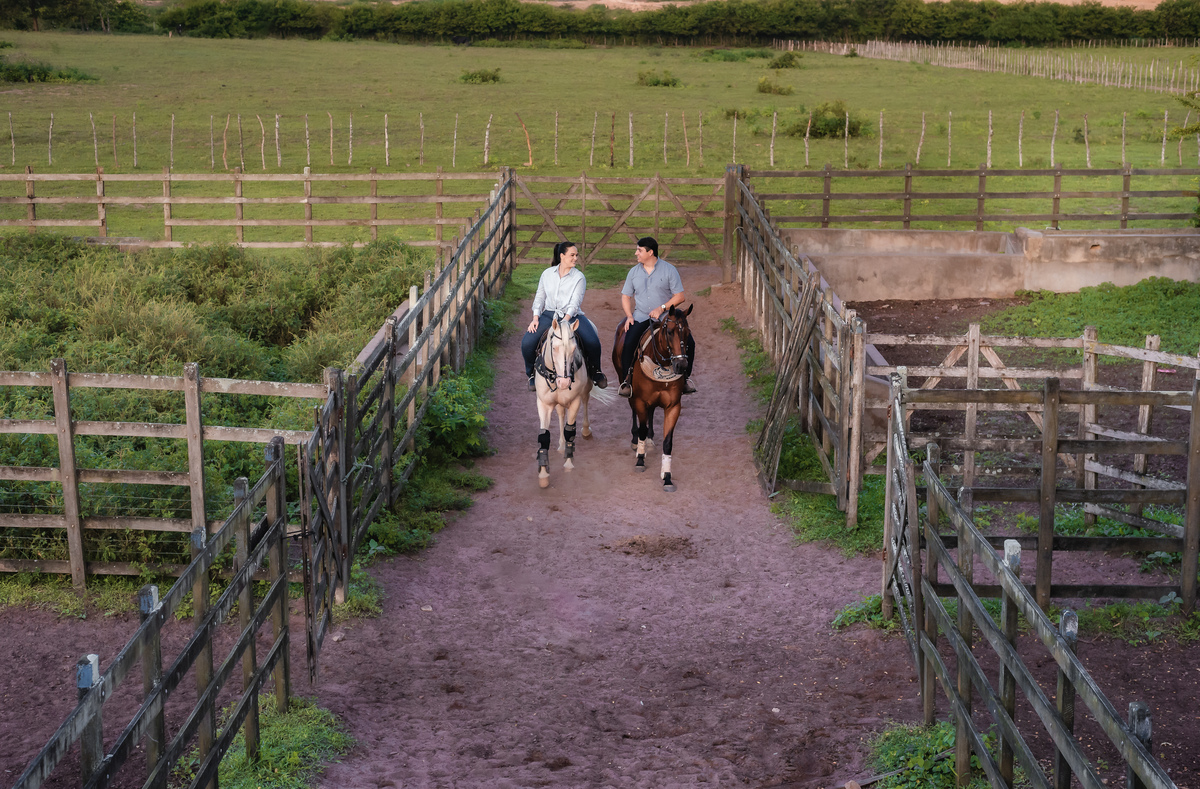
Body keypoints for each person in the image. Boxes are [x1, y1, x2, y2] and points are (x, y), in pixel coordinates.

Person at [615, 236, 696, 398]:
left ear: (650, 252)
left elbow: (680, 296)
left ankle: (685, 379)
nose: (636, 253)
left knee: (690, 343)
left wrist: (662, 308)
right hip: (640, 316)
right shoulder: (634, 272)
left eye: (639, 250)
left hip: (664, 318)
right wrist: (629, 316)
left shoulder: (669, 270)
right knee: (628, 343)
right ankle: (627, 380)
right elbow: (626, 296)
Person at [522, 240, 607, 392]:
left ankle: (596, 372)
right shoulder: (547, 274)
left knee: (592, 341)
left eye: (576, 255)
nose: (575, 258)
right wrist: (535, 318)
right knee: (527, 343)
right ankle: (531, 375)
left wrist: (565, 322)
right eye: (572, 255)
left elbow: (575, 303)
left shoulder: (579, 277)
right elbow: (539, 298)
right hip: (548, 315)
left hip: (572, 316)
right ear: (562, 256)